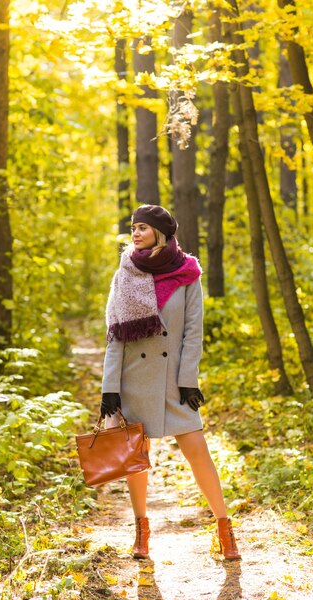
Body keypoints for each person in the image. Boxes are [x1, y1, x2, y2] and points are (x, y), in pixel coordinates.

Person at [100, 204, 241, 561]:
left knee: (197, 450)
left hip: (175, 382)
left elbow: (193, 331)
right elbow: (115, 336)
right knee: (138, 458)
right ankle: (142, 531)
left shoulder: (188, 273)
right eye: (133, 228)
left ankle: (224, 528)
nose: (135, 234)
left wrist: (189, 380)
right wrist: (109, 390)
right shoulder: (125, 272)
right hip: (134, 379)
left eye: (142, 228)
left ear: (161, 234)